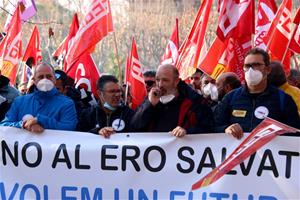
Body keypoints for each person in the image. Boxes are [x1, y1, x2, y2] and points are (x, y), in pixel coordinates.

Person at [214, 48, 300, 139]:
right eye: (247, 66)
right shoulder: (231, 98)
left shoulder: (283, 99)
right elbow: (214, 126)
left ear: (268, 69)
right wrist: (225, 129)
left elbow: (295, 133)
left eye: (257, 65)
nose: (251, 69)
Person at [131, 64, 214, 137]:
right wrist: (149, 104)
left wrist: (187, 131)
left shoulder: (194, 102)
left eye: (165, 80)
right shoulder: (150, 99)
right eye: (157, 80)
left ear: (176, 81)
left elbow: (209, 128)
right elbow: (134, 127)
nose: (160, 85)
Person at [0, 63, 77, 133]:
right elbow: (4, 125)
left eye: (49, 76)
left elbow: (69, 127)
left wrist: (40, 120)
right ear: (34, 80)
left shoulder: (67, 103)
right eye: (40, 77)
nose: (45, 80)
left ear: (54, 79)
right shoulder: (19, 101)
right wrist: (24, 124)